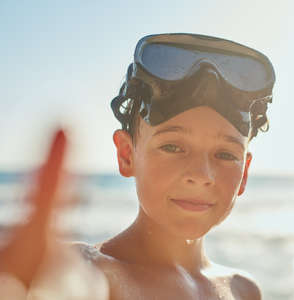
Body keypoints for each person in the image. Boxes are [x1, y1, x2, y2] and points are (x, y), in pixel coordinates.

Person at [0, 33, 275, 299]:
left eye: (225, 154)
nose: (201, 175)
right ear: (126, 155)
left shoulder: (244, 291)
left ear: (245, 173)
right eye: (172, 147)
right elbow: (70, 286)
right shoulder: (94, 271)